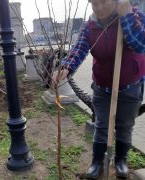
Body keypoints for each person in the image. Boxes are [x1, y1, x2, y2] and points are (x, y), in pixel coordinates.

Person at [52, 0, 145, 179]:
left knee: (125, 126)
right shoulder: (91, 25)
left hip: (130, 85)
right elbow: (80, 48)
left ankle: (120, 161)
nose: (99, 7)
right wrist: (67, 67)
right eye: (95, 3)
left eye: (104, 2)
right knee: (101, 125)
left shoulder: (134, 15)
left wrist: (125, 17)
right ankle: (97, 162)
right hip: (102, 87)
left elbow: (139, 44)